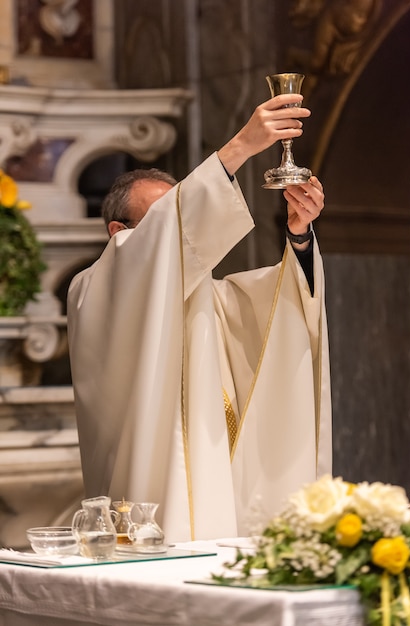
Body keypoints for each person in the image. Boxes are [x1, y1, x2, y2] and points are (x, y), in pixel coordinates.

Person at [67, 91, 332, 543]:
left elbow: (277, 306)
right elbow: (147, 253)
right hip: (152, 504)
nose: (179, 229)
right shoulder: (94, 289)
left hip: (221, 493)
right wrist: (240, 148)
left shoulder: (209, 296)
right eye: (164, 222)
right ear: (119, 234)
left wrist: (299, 236)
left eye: (180, 212)